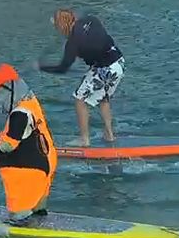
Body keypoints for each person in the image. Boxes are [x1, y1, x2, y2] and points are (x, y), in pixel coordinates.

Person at [36, 9, 125, 147]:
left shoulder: (73, 43)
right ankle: (109, 135)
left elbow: (63, 68)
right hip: (118, 62)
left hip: (105, 68)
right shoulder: (91, 19)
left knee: (80, 99)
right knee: (103, 98)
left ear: (61, 26)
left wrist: (42, 67)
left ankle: (84, 139)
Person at [0, 63, 58, 226]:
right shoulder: (30, 101)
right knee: (37, 201)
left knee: (18, 212)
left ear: (8, 90)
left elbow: (9, 146)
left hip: (28, 167)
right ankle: (38, 213)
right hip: (47, 158)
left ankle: (20, 219)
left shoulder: (19, 115)